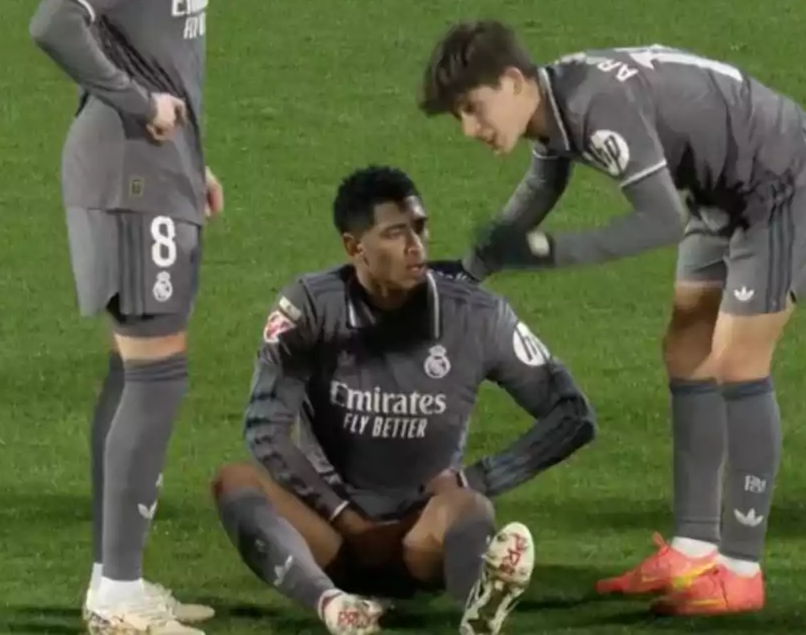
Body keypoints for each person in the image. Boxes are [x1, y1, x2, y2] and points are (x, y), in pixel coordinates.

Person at [418, 21, 806, 616]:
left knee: (738, 360)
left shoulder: (596, 104)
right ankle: (694, 547)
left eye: (472, 108)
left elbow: (660, 221)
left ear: (512, 82)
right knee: (686, 346)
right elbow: (545, 179)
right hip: (722, 188)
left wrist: (551, 252)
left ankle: (742, 571)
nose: (470, 128)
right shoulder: (556, 99)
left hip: (783, 180)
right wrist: (468, 270)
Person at [28, 0, 273, 633]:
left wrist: (193, 160)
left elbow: (170, 61)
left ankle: (115, 578)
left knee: (132, 373)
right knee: (156, 374)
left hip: (159, 175)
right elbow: (55, 22)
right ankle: (118, 594)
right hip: (128, 175)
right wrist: (138, 103)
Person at [210, 165, 597, 635]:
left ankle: (476, 612)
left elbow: (573, 414)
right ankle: (334, 607)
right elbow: (264, 427)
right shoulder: (310, 308)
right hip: (331, 536)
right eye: (396, 233)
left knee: (470, 507)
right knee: (235, 482)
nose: (416, 246)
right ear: (355, 248)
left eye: (420, 227)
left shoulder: (476, 316)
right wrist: (344, 518)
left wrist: (477, 476)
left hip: (420, 534)